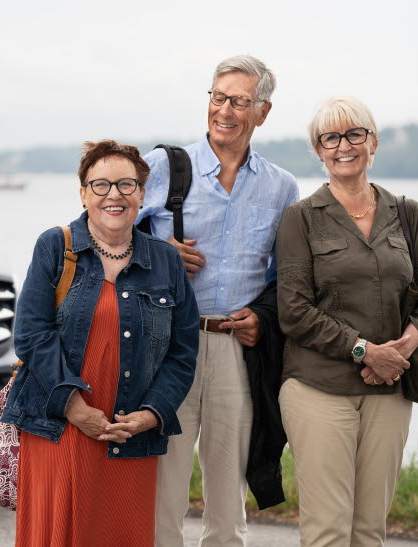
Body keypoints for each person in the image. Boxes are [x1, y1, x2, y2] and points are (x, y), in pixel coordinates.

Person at [1, 140, 199, 547]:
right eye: (101, 184)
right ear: (83, 193)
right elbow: (31, 335)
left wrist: (152, 414)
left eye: (126, 184)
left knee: (120, 534)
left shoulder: (165, 261)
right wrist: (74, 407)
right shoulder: (55, 246)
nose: (114, 195)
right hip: (60, 426)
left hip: (129, 434)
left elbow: (183, 352)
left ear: (141, 194)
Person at [138, 55, 299, 547]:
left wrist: (262, 320)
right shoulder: (162, 167)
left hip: (236, 352)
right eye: (218, 97)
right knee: (162, 499)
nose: (225, 110)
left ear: (263, 112)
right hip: (170, 347)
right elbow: (104, 232)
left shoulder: (282, 187)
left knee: (229, 507)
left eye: (240, 102)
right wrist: (159, 252)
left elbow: (287, 279)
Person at [276, 97, 418, 546]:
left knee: (370, 531)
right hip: (318, 388)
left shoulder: (406, 213)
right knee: (328, 531)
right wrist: (365, 351)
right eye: (331, 138)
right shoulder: (300, 218)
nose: (344, 146)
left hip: (389, 390)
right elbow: (293, 311)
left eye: (355, 134)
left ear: (373, 142)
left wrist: (400, 350)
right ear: (318, 150)